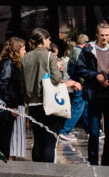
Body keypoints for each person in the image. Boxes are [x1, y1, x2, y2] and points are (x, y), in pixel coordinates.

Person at [21, 27, 79, 163]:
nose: (49, 42)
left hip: (33, 104)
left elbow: (22, 82)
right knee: (49, 141)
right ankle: (48, 174)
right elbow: (56, 79)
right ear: (43, 40)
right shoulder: (49, 56)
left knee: (38, 140)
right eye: (48, 39)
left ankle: (37, 172)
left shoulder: (26, 57)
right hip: (48, 102)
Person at [77, 22, 109, 167]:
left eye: (107, 35)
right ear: (96, 34)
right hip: (94, 96)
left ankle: (107, 163)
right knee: (94, 133)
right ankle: (93, 163)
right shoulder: (88, 49)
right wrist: (95, 75)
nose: (104, 38)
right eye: (101, 35)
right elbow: (80, 69)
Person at [0, 37, 27, 160]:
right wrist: (11, 105)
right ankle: (4, 164)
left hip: (11, 106)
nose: (25, 52)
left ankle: (7, 160)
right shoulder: (8, 63)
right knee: (4, 138)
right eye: (23, 49)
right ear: (16, 49)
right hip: (8, 108)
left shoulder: (11, 63)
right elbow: (3, 84)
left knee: (8, 138)